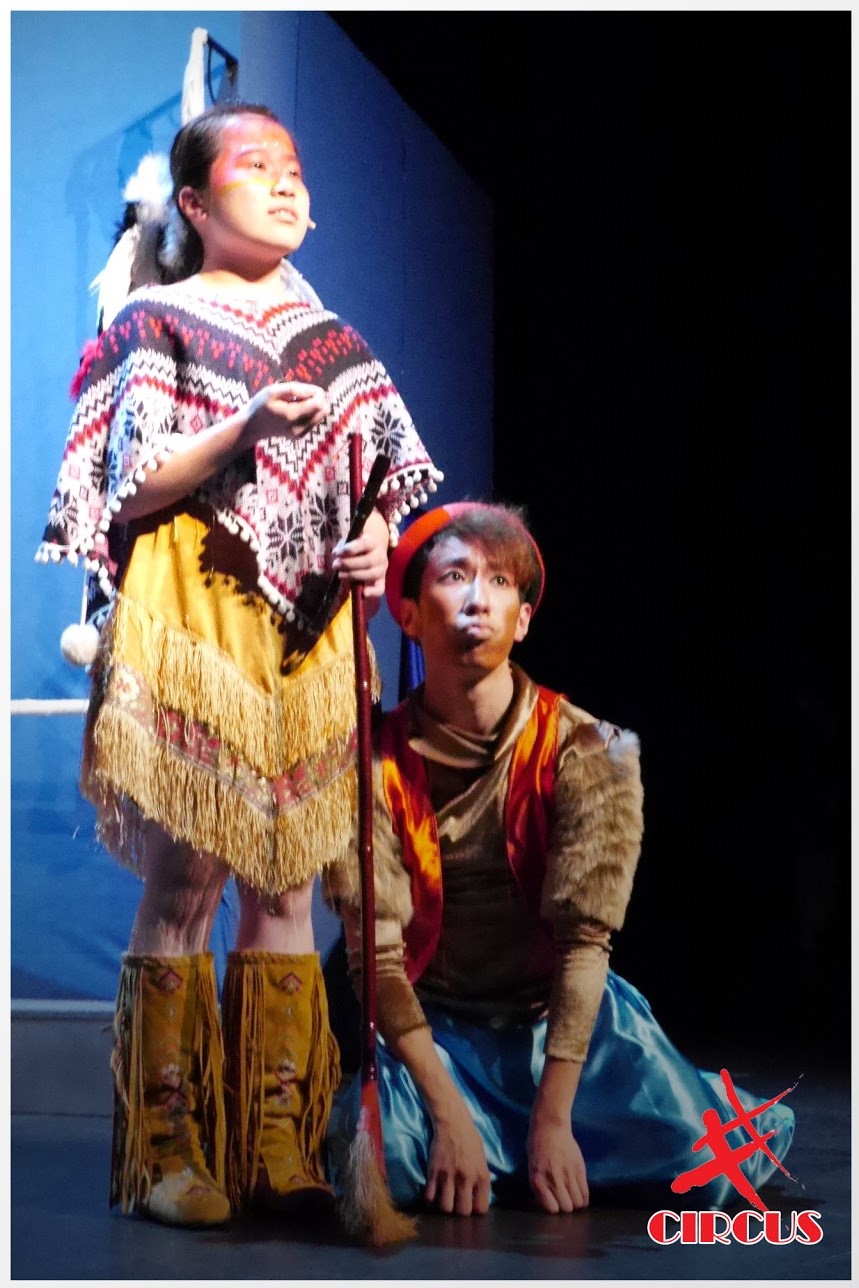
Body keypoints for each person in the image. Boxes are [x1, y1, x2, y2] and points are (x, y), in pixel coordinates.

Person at [36, 101, 442, 1228]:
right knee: (187, 881)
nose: (286, 183)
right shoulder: (153, 320)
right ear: (196, 203)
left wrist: (377, 545)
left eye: (295, 166)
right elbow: (128, 488)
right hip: (195, 622)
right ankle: (165, 1145)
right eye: (256, 166)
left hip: (306, 633)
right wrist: (245, 426)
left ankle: (273, 1140)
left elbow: (381, 488)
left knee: (287, 886)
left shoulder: (336, 342)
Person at [323, 502, 796, 1216]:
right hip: (438, 1032)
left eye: (499, 582)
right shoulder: (367, 765)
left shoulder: (592, 749)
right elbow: (376, 961)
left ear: (522, 620)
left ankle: (547, 1135)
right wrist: (447, 1113)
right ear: (410, 616)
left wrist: (552, 1120)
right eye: (454, 577)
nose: (478, 599)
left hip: (563, 1031)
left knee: (706, 1168)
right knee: (384, 1163)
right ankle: (480, 1135)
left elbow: (584, 944)